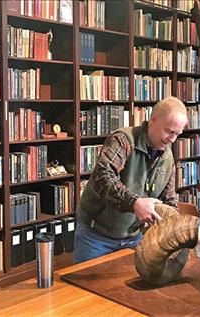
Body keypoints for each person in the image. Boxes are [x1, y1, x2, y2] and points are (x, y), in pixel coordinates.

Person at [73, 96, 188, 263]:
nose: (172, 139)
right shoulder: (123, 140)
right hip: (96, 236)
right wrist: (135, 203)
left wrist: (176, 228)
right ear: (153, 120)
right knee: (82, 289)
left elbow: (168, 199)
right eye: (169, 131)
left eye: (177, 134)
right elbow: (103, 176)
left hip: (134, 238)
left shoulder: (167, 156)